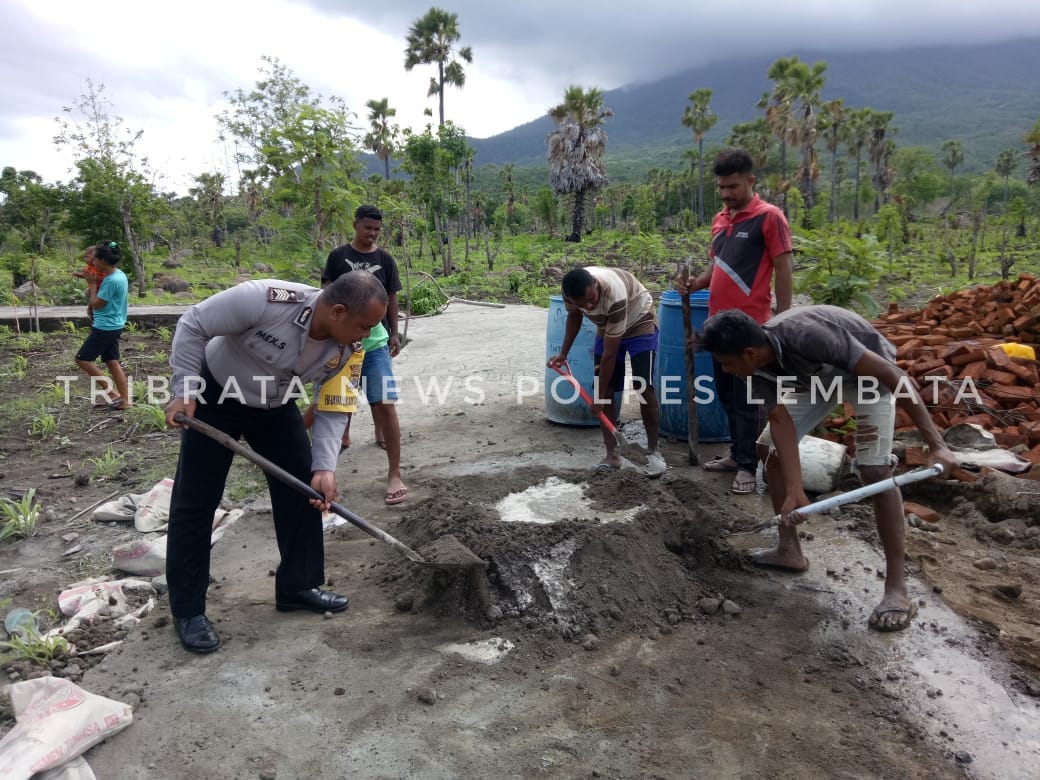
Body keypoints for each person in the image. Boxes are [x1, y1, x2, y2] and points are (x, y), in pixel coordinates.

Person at [163, 272, 388, 654]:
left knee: (304, 489)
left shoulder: (350, 348)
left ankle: (297, 586)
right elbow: (195, 322)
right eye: (364, 326)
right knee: (195, 502)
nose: (365, 335)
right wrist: (185, 387)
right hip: (216, 396)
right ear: (336, 311)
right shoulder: (265, 299)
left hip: (274, 404)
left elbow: (333, 408)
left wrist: (324, 468)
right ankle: (188, 611)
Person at [699, 306, 957, 632]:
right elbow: (780, 421)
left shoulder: (806, 333)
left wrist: (936, 444)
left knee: (875, 470)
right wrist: (795, 491)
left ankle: (897, 590)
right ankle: (789, 549)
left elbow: (894, 376)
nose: (725, 369)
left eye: (726, 362)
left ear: (749, 353)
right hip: (816, 377)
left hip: (868, 373)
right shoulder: (752, 370)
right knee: (769, 449)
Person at [679, 148, 793, 494]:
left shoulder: (769, 218)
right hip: (718, 327)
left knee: (748, 402)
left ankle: (748, 465)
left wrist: (783, 320)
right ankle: (735, 454)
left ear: (750, 181)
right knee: (726, 396)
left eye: (733, 186)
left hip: (751, 328)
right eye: (722, 187)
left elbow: (784, 269)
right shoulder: (720, 219)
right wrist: (696, 283)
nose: (727, 194)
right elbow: (718, 266)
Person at [321, 205, 408, 505]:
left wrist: (394, 332)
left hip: (375, 345)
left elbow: (392, 296)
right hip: (341, 345)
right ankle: (324, 473)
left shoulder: (385, 259)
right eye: (367, 228)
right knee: (336, 404)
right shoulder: (337, 257)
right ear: (355, 225)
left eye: (376, 230)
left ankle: (395, 473)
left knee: (385, 403)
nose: (372, 234)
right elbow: (326, 296)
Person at [548, 266, 667, 477]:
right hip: (608, 325)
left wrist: (599, 397)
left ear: (595, 283)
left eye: (591, 299)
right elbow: (574, 316)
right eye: (583, 304)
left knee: (643, 386)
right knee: (607, 389)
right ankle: (612, 455)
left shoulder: (614, 293)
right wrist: (564, 353)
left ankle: (652, 450)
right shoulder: (571, 293)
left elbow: (609, 355)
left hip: (639, 320)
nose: (589, 306)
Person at [74, 241, 130, 410]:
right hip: (114, 323)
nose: (92, 262)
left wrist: (91, 285)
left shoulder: (111, 281)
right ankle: (125, 401)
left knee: (82, 359)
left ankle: (112, 393)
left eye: (95, 258)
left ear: (103, 260)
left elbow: (97, 304)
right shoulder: (119, 274)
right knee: (112, 361)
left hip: (106, 327)